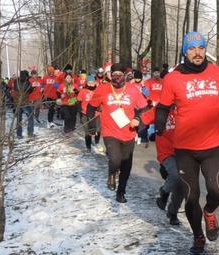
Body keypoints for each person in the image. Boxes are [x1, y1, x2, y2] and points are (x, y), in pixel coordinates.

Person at [155, 31, 219, 255]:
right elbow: (162, 106)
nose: (197, 52)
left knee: (217, 192)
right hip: (185, 149)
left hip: (212, 146)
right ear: (184, 52)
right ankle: (198, 237)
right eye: (192, 48)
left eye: (200, 48)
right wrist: (160, 124)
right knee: (191, 197)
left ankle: (209, 212)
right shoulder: (173, 78)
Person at [87, 63, 148, 203]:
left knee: (126, 165)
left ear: (125, 76)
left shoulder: (132, 90)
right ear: (110, 75)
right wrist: (92, 127)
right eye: (114, 75)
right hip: (110, 132)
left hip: (129, 133)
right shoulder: (103, 89)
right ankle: (111, 172)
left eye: (120, 75)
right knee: (115, 159)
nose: (117, 78)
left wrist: (137, 118)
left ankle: (121, 192)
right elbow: (91, 107)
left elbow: (144, 107)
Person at [153, 106, 185, 226]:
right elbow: (143, 118)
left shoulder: (186, 107)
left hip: (184, 151)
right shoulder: (160, 109)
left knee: (183, 183)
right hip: (166, 152)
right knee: (176, 175)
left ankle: (172, 212)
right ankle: (164, 192)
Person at [77, 75, 102, 154]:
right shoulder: (83, 91)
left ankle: (97, 143)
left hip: (96, 113)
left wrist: (100, 107)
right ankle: (88, 147)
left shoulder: (98, 91)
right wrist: (80, 110)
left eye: (92, 83)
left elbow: (102, 100)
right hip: (85, 114)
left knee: (97, 129)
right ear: (86, 83)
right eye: (89, 83)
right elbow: (78, 101)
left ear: (95, 83)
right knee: (87, 131)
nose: (91, 84)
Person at [13, 70, 35, 139]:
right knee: (30, 117)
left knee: (19, 119)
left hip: (17, 103)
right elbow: (30, 90)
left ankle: (19, 134)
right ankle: (30, 132)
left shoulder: (16, 82)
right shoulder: (28, 82)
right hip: (25, 102)